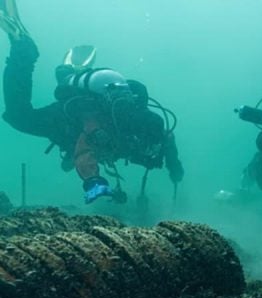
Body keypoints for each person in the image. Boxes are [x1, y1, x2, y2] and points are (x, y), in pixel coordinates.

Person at [1, 0, 183, 204]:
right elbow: (84, 150)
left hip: (77, 118)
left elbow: (168, 139)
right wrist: (94, 182)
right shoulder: (116, 130)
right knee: (19, 117)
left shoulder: (143, 131)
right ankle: (25, 50)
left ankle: (27, 52)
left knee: (20, 116)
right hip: (68, 121)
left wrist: (175, 167)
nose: (151, 152)